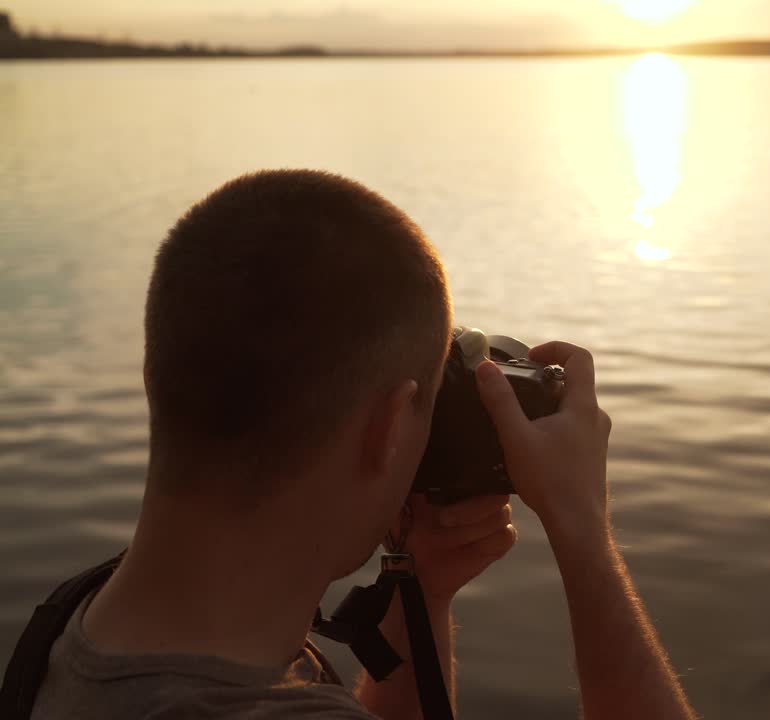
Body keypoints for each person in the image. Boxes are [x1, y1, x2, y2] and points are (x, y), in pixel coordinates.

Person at [27, 170, 698, 720]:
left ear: (157, 376)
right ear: (388, 428)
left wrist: (422, 593)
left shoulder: (70, 630)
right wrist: (583, 530)